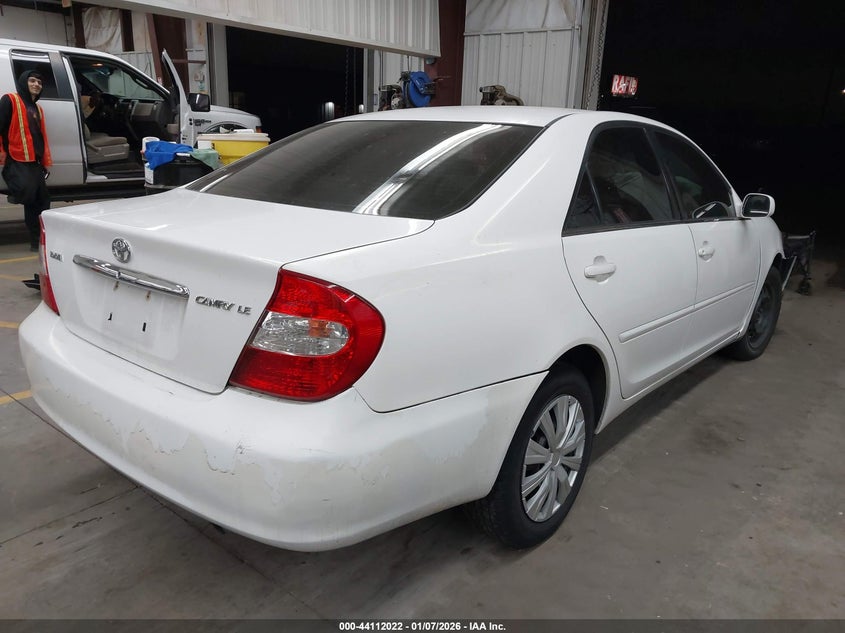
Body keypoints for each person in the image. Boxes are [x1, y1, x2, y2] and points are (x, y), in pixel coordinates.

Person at [0, 70, 52, 251]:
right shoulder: (9, 100)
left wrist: (44, 162)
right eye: (32, 81)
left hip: (34, 162)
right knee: (30, 199)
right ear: (24, 82)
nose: (36, 84)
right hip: (17, 159)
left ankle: (39, 239)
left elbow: (40, 136)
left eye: (39, 82)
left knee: (43, 201)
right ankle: (35, 240)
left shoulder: (37, 108)